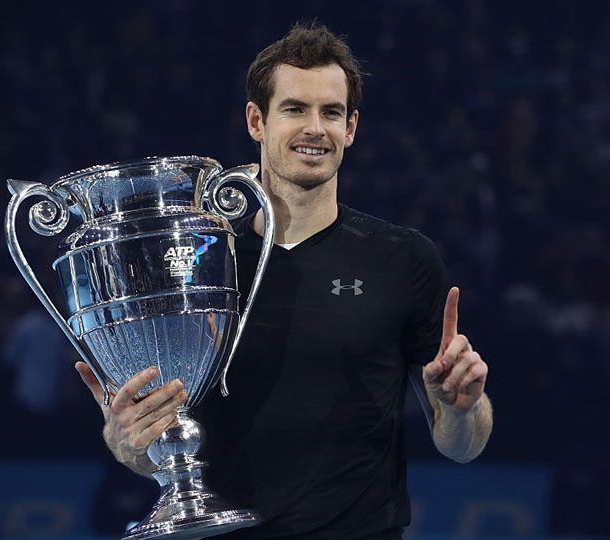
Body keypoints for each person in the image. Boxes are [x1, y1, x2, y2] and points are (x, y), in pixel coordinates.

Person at [74, 23, 493, 539]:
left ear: (352, 127)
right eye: (295, 109)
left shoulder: (403, 258)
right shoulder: (198, 261)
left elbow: (462, 445)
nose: (315, 128)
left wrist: (463, 407)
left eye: (331, 112)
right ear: (257, 120)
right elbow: (152, 448)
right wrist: (127, 441)